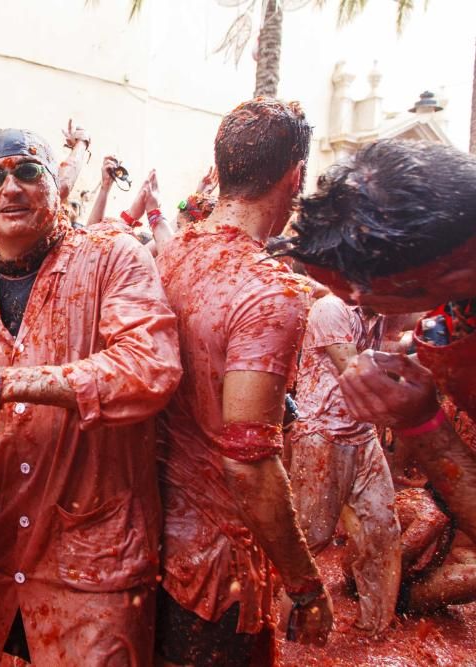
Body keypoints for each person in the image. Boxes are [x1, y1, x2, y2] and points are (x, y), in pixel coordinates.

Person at [0, 128, 182, 665]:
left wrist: (6, 382)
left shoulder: (112, 256)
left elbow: (150, 368)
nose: (10, 188)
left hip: (93, 556)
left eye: (27, 171)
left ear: (56, 186)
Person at [154, 98, 333, 666]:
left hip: (140, 539)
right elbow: (248, 462)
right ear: (294, 176)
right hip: (212, 567)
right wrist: (305, 584)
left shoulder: (168, 256)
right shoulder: (269, 291)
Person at [275, 138, 476, 545]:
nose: (346, 301)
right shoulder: (452, 307)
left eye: (359, 294)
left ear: (450, 279)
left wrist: (427, 425)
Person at [288, 295, 401, 634]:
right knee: (312, 536)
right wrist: (414, 366)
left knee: (383, 527)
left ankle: (374, 628)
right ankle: (283, 630)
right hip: (322, 434)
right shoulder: (331, 309)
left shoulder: (378, 313)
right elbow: (355, 371)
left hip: (363, 435)